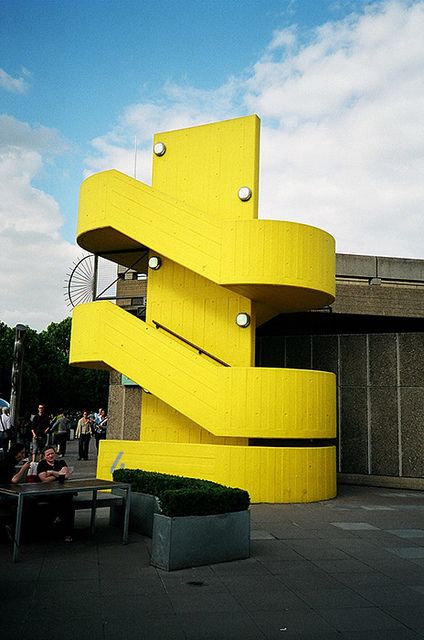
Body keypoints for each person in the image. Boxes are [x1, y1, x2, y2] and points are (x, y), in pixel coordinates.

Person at [37, 446, 73, 542]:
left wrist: (52, 472)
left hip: (62, 491)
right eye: (48, 454)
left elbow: (66, 475)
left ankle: (66, 531)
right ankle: (60, 522)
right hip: (47, 492)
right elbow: (44, 480)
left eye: (52, 453)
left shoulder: (61, 462)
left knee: (68, 501)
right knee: (65, 504)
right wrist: (58, 475)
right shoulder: (42, 464)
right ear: (44, 456)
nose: (50, 456)